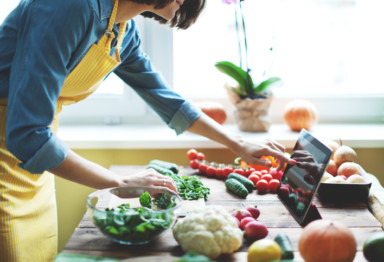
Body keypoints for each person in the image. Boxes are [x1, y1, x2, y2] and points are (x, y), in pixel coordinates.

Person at [0, 0, 295, 261]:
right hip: (15, 152)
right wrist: (123, 181)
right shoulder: (70, 7)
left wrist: (238, 142)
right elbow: (26, 133)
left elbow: (167, 101)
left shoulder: (121, 31)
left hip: (35, 161)